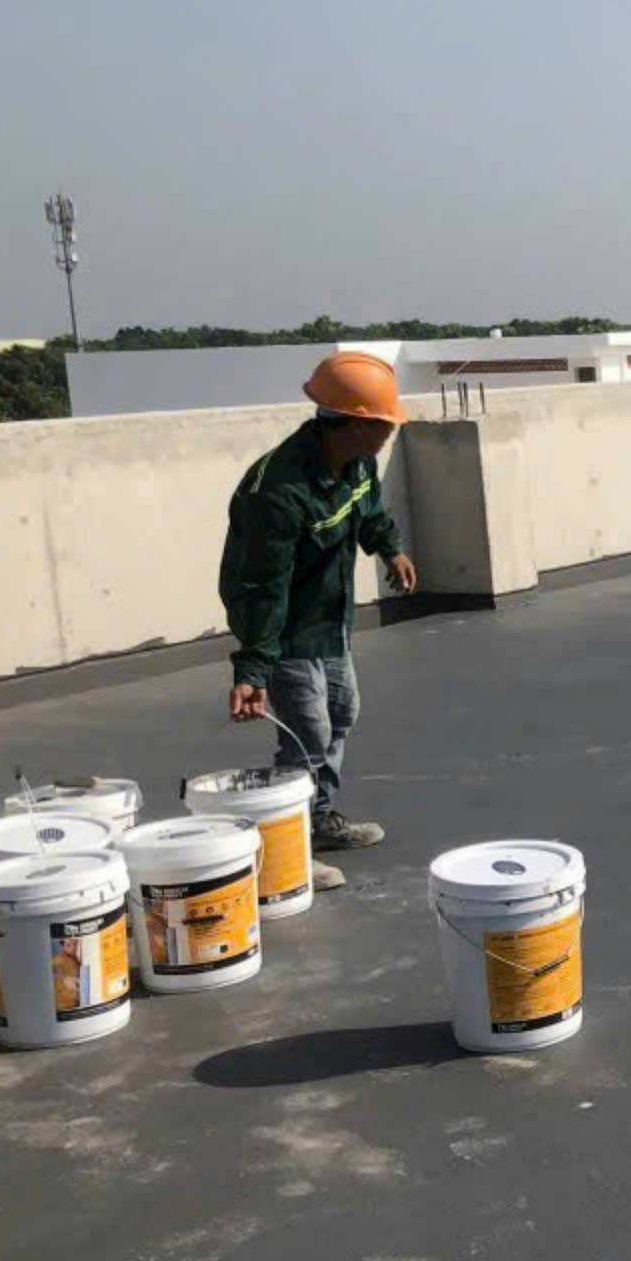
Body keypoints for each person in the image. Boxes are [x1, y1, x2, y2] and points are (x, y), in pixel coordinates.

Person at [218, 351, 419, 890]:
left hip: (329, 618)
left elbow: (367, 511)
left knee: (340, 714)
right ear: (355, 424)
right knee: (307, 733)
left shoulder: (356, 463)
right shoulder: (279, 492)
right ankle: (289, 851)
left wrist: (389, 548)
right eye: (384, 424)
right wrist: (253, 669)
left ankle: (320, 818)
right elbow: (263, 587)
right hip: (284, 626)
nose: (390, 433)